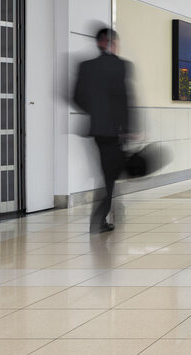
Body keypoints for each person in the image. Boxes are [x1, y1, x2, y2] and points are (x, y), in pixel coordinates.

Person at [72, 27, 133, 234]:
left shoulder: (85, 66)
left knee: (108, 172)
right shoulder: (120, 65)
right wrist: (130, 127)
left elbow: (75, 97)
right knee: (109, 174)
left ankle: (105, 211)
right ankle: (99, 217)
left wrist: (95, 111)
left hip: (97, 129)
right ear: (110, 43)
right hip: (115, 130)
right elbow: (124, 98)